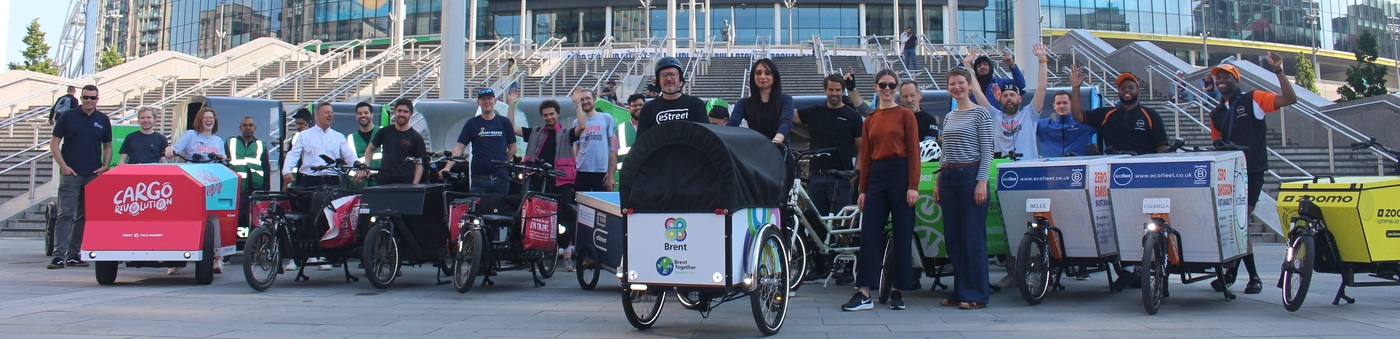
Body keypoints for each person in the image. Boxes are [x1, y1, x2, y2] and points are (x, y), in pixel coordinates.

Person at [1207, 52, 1297, 295]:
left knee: (1241, 220)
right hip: (1228, 175)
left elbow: (1289, 99)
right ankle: (1235, 273)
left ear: (1237, 80)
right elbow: (1217, 143)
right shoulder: (1216, 113)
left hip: (1252, 172)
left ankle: (1251, 277)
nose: (1221, 80)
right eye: (1218, 77)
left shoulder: (1253, 99)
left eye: (1226, 76)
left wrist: (1278, 70)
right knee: (1236, 224)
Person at [842, 69, 919, 312]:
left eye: (891, 85)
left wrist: (913, 186)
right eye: (883, 85)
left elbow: (914, 154)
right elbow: (865, 157)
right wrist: (862, 190)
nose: (887, 89)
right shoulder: (871, 119)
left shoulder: (906, 116)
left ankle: (898, 289)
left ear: (896, 88)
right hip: (876, 176)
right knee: (870, 234)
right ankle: (863, 291)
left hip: (900, 174)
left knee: (902, 234)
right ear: (875, 87)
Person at [932, 55, 998, 310]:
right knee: (954, 239)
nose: (957, 87)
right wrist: (938, 180)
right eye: (952, 84)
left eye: (961, 82)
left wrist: (982, 182)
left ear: (970, 85)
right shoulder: (949, 117)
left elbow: (987, 151)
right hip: (948, 178)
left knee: (972, 238)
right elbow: (944, 152)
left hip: (971, 177)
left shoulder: (981, 113)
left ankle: (977, 295)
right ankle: (960, 291)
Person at [47, 85, 111, 269]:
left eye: (93, 98)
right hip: (71, 173)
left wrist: (105, 166)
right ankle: (59, 255)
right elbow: (54, 144)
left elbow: (107, 145)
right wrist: (64, 167)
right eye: (85, 97)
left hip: (92, 174)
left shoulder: (102, 119)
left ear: (98, 99)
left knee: (83, 216)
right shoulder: (68, 116)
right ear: (81, 98)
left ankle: (74, 254)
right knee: (65, 214)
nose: (89, 101)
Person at [568, 88, 620, 271]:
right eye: (581, 100)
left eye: (587, 98)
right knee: (582, 214)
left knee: (603, 215)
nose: (585, 102)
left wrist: (610, 174)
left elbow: (613, 148)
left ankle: (604, 254)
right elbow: (576, 147)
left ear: (595, 99)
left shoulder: (606, 119)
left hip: (601, 172)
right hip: (583, 171)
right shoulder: (578, 121)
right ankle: (583, 253)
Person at [796, 74, 863, 216]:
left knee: (841, 227)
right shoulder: (814, 113)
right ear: (825, 90)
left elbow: (863, 149)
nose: (834, 93)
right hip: (816, 178)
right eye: (831, 89)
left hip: (842, 178)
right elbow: (785, 114)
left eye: (838, 90)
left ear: (842, 91)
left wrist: (855, 175)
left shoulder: (853, 116)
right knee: (817, 226)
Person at [1069, 65, 1169, 155]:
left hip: (1143, 170)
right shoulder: (1105, 115)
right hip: (1115, 169)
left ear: (1138, 91)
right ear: (1118, 92)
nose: (1126, 90)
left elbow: (1161, 147)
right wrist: (1075, 88)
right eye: (1123, 88)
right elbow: (1078, 116)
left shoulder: (1151, 115)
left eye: (1131, 87)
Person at [443, 88, 517, 195]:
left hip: (501, 179)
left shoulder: (504, 122)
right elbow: (459, 147)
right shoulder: (472, 123)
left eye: (489, 99)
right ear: (478, 102)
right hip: (479, 179)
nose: (487, 101)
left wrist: (502, 164)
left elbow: (513, 149)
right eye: (483, 99)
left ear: (495, 101)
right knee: (476, 210)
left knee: (499, 210)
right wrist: (447, 167)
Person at [226, 116, 271, 274]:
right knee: (233, 222)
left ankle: (253, 252)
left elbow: (265, 168)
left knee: (254, 223)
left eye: (251, 125)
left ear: (255, 128)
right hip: (235, 190)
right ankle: (227, 253)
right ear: (240, 128)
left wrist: (266, 192)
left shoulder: (261, 145)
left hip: (255, 191)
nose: (248, 128)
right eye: (245, 125)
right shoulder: (230, 142)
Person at [990, 44, 1049, 161]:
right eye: (1005, 96)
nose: (1009, 98)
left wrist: (1042, 60)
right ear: (1000, 99)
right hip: (1002, 170)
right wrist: (967, 65)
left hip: (1027, 169)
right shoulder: (995, 116)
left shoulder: (1029, 114)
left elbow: (1042, 88)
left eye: (1012, 95)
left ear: (1020, 99)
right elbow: (977, 92)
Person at [281, 102, 360, 188]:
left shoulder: (339, 136)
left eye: (331, 113)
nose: (330, 115)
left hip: (333, 181)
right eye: (326, 113)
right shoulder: (304, 135)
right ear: (317, 115)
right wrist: (287, 171)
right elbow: (293, 154)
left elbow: (348, 155)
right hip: (310, 181)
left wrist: (359, 168)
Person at [361, 99, 428, 185]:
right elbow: (370, 149)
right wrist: (366, 165)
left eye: (405, 111)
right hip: (384, 181)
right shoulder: (384, 132)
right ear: (394, 112)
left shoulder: (416, 137)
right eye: (399, 111)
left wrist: (414, 185)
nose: (401, 114)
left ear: (411, 114)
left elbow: (419, 164)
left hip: (405, 183)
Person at [637, 57, 708, 135]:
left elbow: (706, 137)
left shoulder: (696, 104)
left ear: (680, 77)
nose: (669, 79)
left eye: (673, 74)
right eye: (664, 75)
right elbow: (641, 143)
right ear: (658, 80)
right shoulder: (648, 109)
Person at [1036, 90, 1098, 157]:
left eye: (1065, 103)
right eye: (1058, 103)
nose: (1062, 106)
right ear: (1054, 106)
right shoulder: (1043, 125)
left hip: (1078, 166)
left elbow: (1106, 121)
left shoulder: (1084, 123)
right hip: (1050, 166)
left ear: (1071, 104)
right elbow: (1024, 124)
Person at [347, 102, 382, 189]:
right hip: (359, 184)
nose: (363, 115)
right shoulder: (350, 138)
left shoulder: (382, 132)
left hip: (381, 181)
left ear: (372, 115)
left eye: (366, 113)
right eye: (360, 113)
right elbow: (349, 161)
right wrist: (358, 172)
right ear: (356, 116)